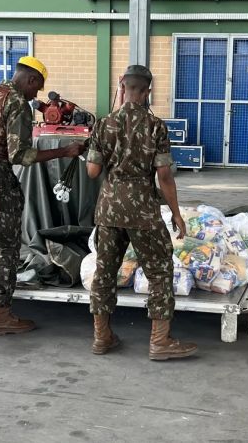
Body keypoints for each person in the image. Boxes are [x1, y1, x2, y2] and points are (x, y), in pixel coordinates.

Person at [0, 56, 84, 335]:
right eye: (37, 87)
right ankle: (1, 314)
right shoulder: (17, 103)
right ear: (30, 79)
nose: (36, 95)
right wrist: (65, 151)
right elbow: (20, 155)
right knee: (6, 245)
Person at [86, 65, 198, 361]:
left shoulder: (103, 124)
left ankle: (102, 337)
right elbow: (164, 176)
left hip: (109, 209)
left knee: (105, 271)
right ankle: (160, 341)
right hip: (143, 211)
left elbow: (93, 171)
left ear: (121, 87)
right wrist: (176, 213)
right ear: (148, 91)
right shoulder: (156, 126)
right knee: (160, 271)